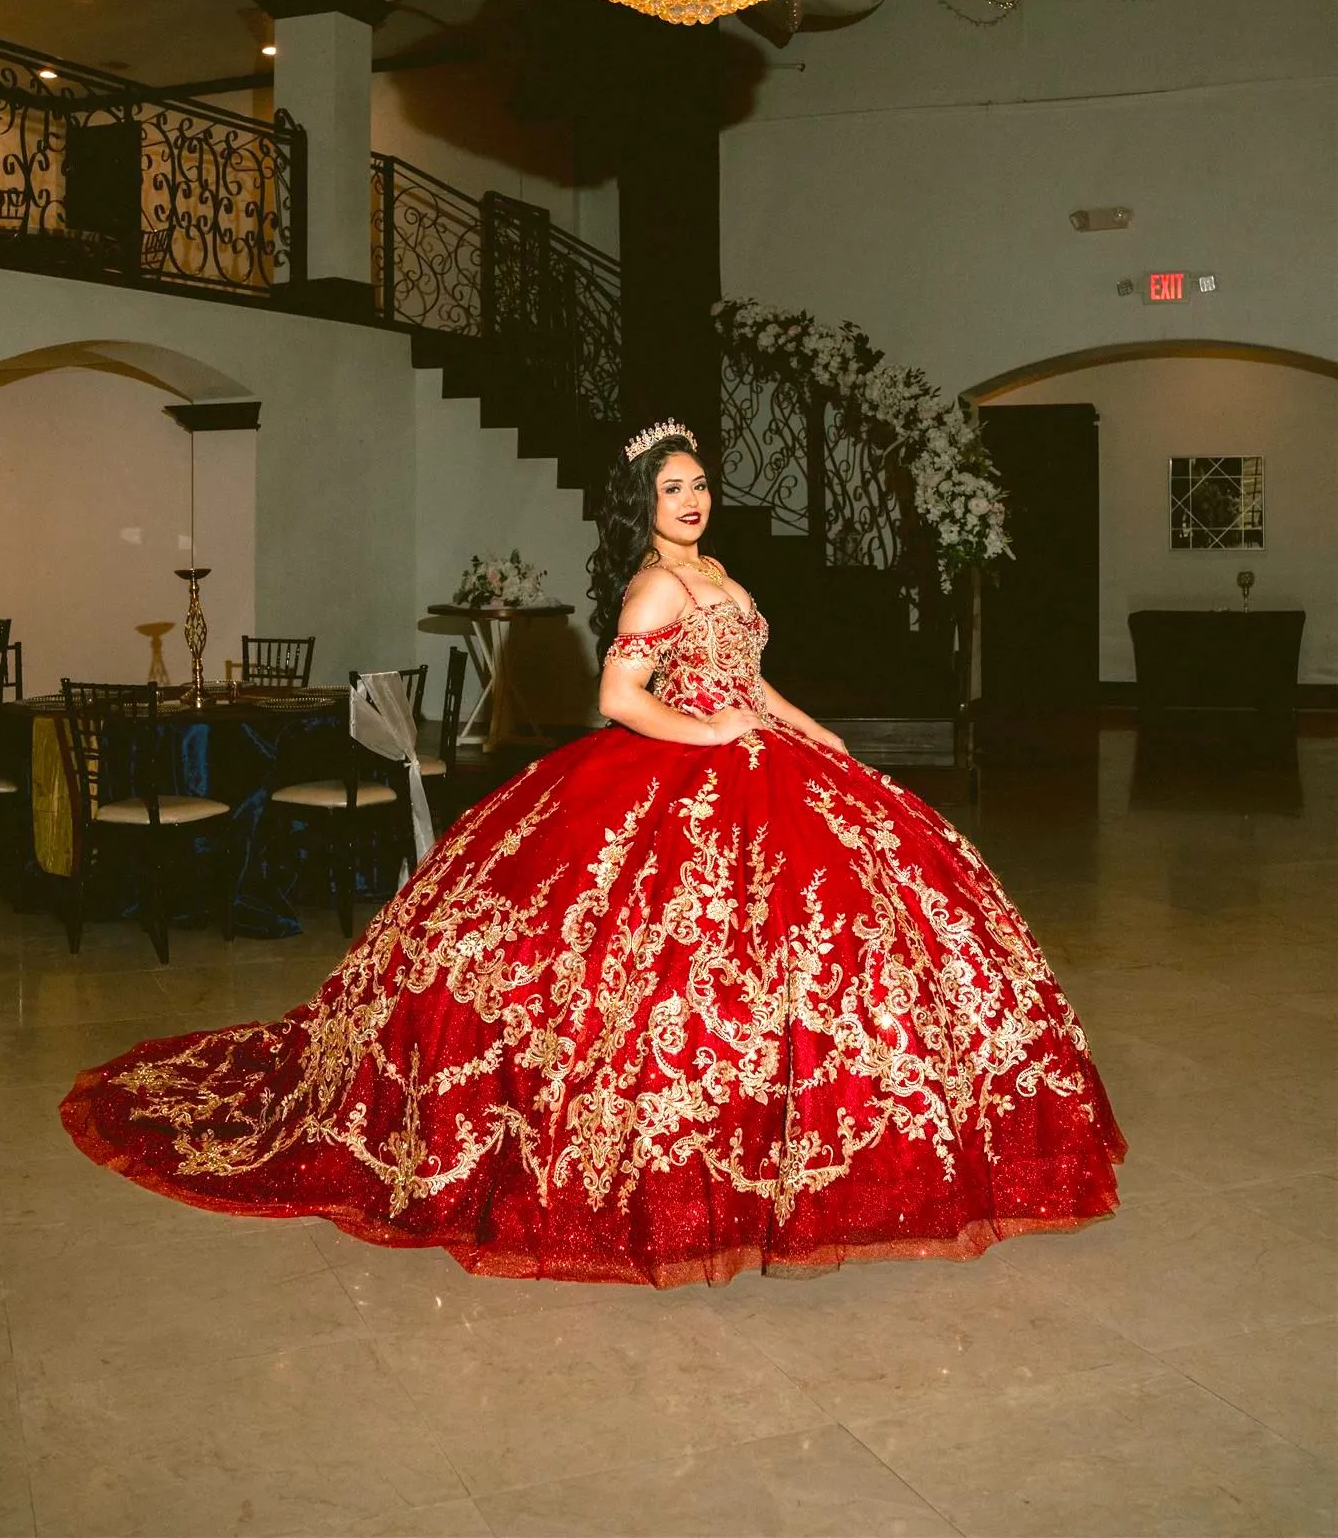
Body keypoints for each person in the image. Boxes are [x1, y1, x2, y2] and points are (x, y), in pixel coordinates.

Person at [61, 421, 1124, 1287]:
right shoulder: (654, 587)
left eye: (699, 483)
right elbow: (620, 698)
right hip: (682, 763)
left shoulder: (713, 568)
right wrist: (712, 735)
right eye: (673, 489)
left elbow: (749, 676)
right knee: (664, 958)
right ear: (644, 507)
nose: (693, 500)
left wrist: (806, 726)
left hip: (762, 755)